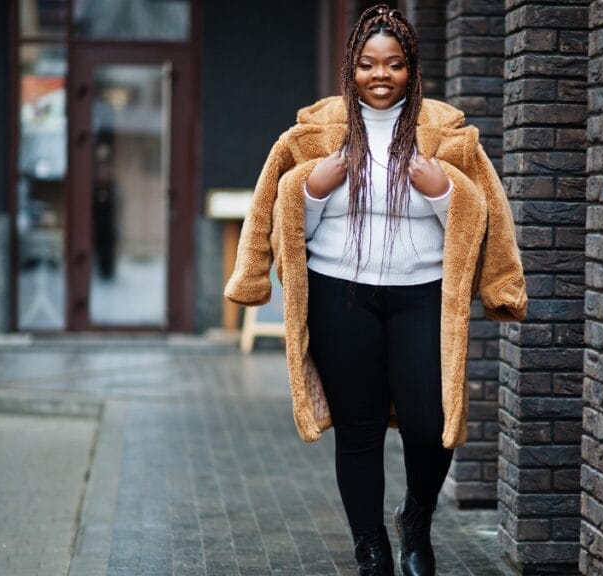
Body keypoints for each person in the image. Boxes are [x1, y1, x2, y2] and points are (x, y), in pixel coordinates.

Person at [225, 5, 526, 575]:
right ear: (351, 68)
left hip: (423, 297)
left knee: (430, 421)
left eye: (393, 64)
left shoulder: (449, 134)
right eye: (367, 64)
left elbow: (490, 213)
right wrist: (312, 190)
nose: (380, 75)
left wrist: (443, 194)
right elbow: (275, 214)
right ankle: (370, 546)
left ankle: (415, 519)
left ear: (412, 69)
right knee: (358, 428)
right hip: (343, 296)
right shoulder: (314, 135)